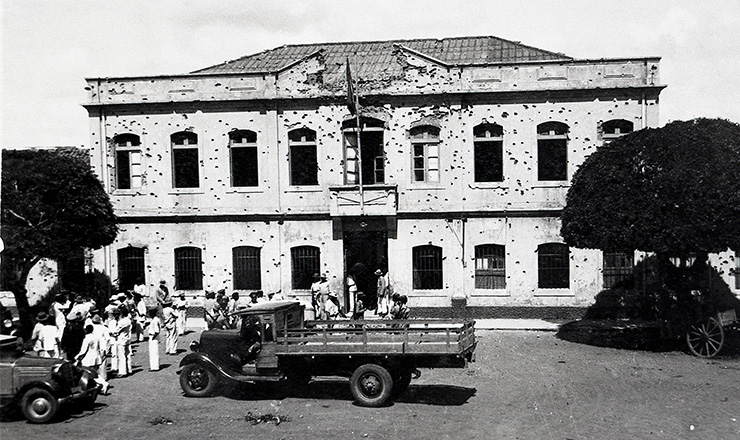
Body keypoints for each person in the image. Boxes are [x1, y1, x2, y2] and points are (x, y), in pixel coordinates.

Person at [76, 324, 110, 395]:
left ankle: (103, 383)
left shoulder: (86, 339)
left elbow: (83, 350)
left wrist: (77, 357)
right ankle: (102, 384)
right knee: (95, 373)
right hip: (96, 357)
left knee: (89, 374)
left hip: (89, 359)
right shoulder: (96, 337)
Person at [90, 315, 111, 389]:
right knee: (102, 363)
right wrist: (108, 348)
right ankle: (103, 378)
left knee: (93, 363)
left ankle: (94, 378)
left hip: (94, 347)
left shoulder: (91, 327)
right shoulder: (104, 328)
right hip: (102, 347)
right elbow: (108, 338)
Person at [114, 307, 132, 377]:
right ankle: (129, 369)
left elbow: (116, 331)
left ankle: (122, 372)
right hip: (127, 338)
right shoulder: (128, 320)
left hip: (121, 339)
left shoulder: (121, 322)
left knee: (122, 356)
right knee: (127, 355)